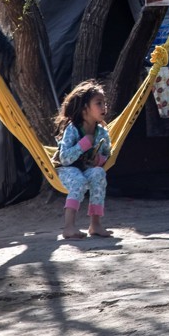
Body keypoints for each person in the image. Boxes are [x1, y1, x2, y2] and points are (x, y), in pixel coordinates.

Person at [54, 80, 114, 239]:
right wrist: (83, 145)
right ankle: (68, 227)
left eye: (104, 103)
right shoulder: (73, 129)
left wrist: (99, 160)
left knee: (99, 174)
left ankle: (95, 225)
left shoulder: (101, 132)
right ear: (85, 108)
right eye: (98, 103)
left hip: (86, 169)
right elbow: (64, 158)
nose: (104, 107)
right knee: (78, 181)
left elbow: (107, 152)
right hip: (67, 170)